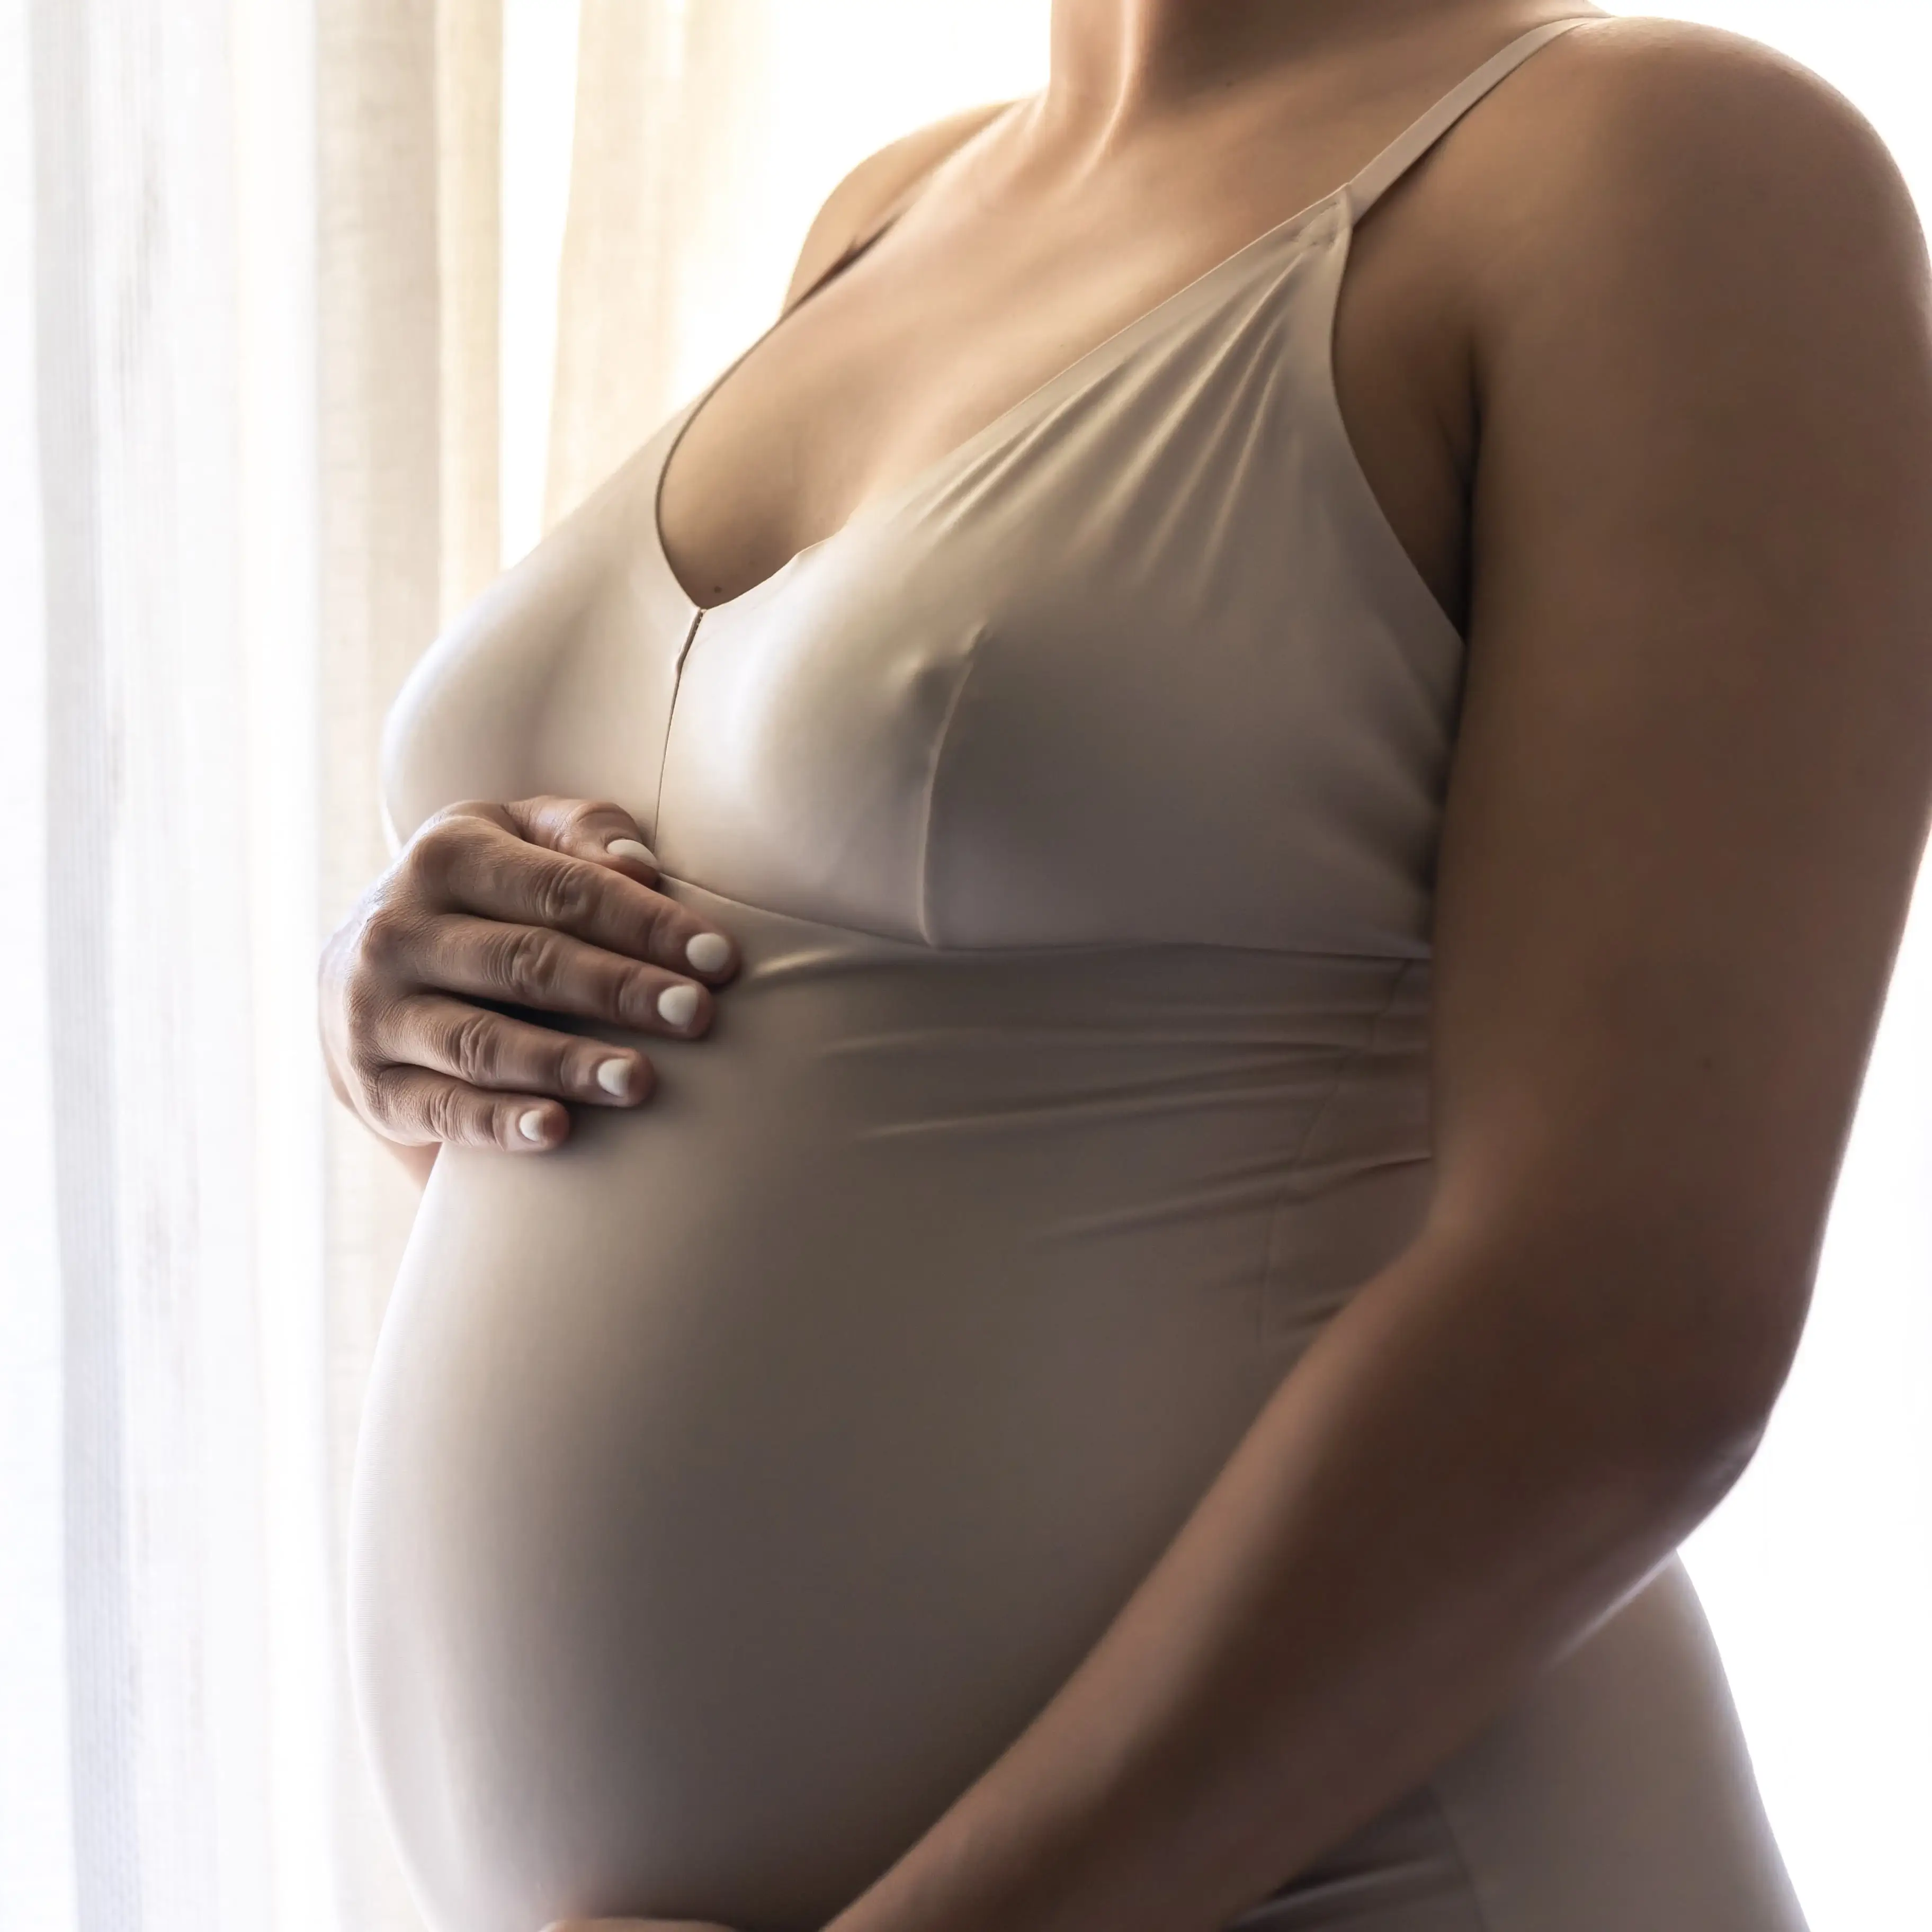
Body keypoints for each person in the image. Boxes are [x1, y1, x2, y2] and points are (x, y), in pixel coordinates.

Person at [316, 4, 1932, 1928]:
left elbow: (1629, 1326)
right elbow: (894, 1131)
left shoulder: (1665, 167)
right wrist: (431, 1026)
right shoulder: (896, 205)